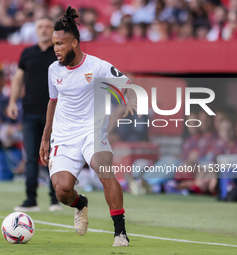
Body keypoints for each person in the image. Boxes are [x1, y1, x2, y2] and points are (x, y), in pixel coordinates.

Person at [39, 6, 139, 247]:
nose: (55, 49)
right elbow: (53, 103)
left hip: (92, 132)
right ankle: (80, 204)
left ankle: (120, 233)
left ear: (74, 43)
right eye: (54, 44)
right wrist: (45, 138)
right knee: (62, 191)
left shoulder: (97, 66)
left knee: (104, 170)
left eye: (60, 44)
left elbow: (128, 84)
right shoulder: (54, 70)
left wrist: (131, 100)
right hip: (63, 136)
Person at [7, 16, 60, 212]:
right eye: (40, 26)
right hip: (29, 113)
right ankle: (31, 199)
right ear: (35, 30)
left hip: (54, 115)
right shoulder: (27, 53)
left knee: (53, 157)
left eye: (48, 26)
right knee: (31, 157)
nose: (44, 30)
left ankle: (55, 199)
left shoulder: (59, 52)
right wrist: (12, 102)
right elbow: (18, 79)